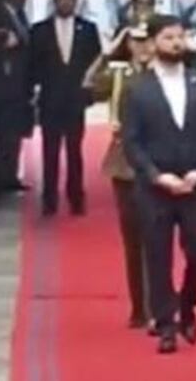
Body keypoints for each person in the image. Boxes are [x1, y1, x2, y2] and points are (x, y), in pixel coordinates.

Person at [122, 15, 196, 354]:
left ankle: (188, 304)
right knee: (157, 255)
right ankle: (166, 324)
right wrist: (155, 175)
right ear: (152, 43)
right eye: (168, 37)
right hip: (156, 187)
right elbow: (132, 141)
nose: (176, 43)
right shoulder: (137, 87)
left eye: (180, 37)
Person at [85, 22, 155, 331]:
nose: (141, 47)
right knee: (133, 239)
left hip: (159, 161)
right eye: (135, 42)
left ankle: (158, 303)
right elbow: (88, 84)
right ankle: (139, 306)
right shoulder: (118, 74)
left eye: (145, 41)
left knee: (158, 237)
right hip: (125, 163)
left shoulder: (165, 74)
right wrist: (107, 52)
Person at [30, 0, 102, 216]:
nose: (66, 2)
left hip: (75, 98)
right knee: (50, 151)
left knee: (74, 151)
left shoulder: (88, 29)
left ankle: (76, 197)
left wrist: (89, 89)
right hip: (50, 97)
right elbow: (33, 65)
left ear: (76, 2)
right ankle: (49, 199)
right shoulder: (39, 30)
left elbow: (96, 60)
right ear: (54, 1)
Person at [0, 0, 32, 194]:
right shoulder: (0, 14)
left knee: (13, 130)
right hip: (5, 79)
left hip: (17, 81)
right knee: (3, 131)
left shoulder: (17, 14)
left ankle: (9, 173)